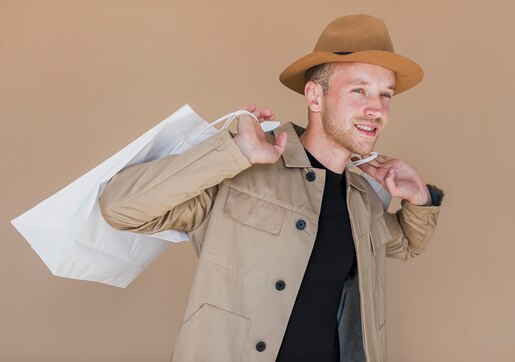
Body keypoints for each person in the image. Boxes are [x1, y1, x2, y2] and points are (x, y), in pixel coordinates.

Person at [99, 14, 443, 362]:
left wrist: (420, 198)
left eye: (386, 94)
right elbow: (120, 207)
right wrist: (232, 152)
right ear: (314, 96)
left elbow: (406, 244)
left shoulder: (363, 198)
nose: (377, 108)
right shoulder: (240, 171)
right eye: (359, 90)